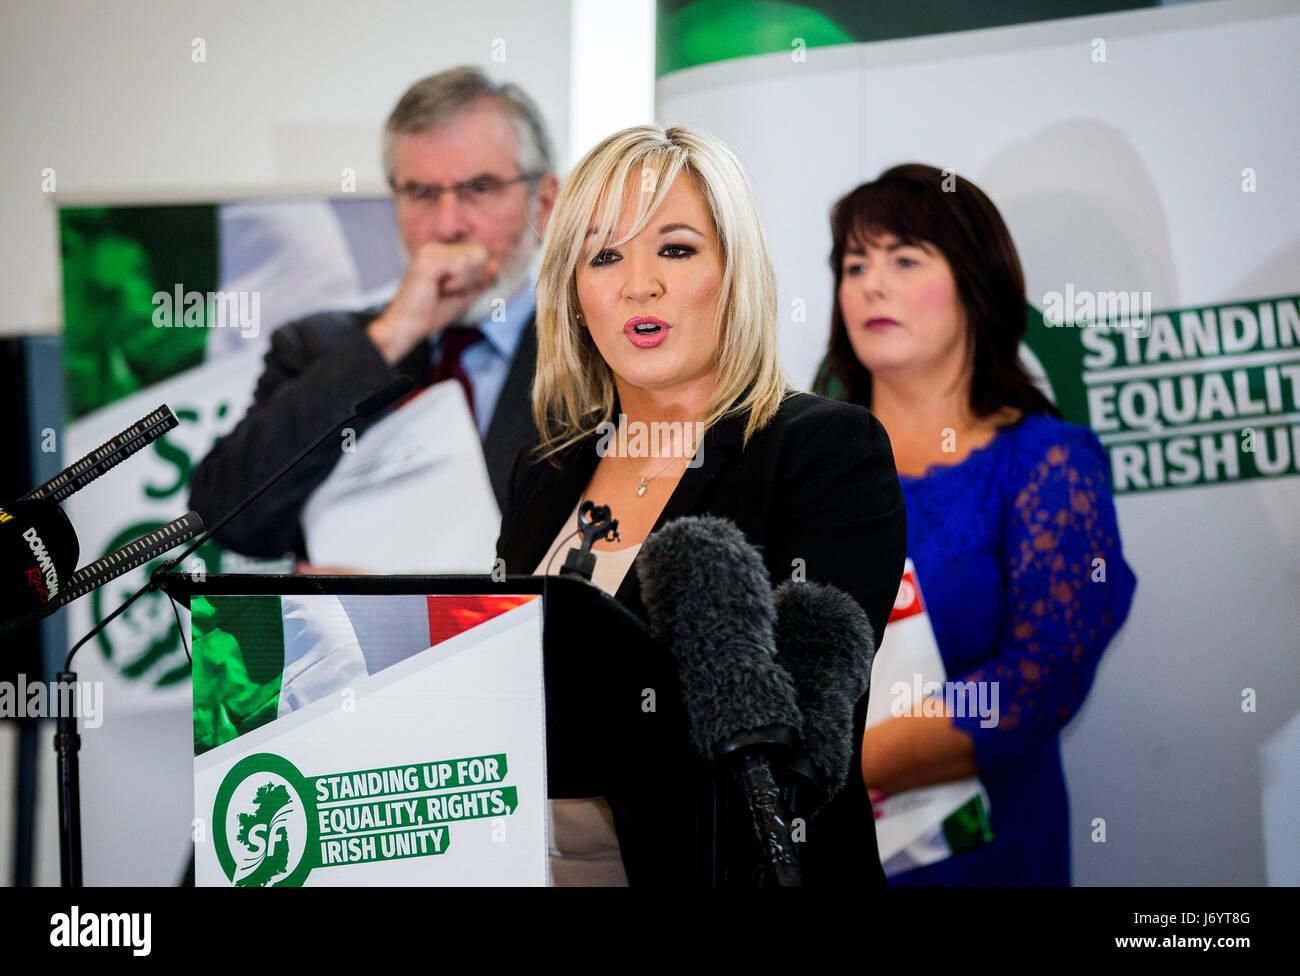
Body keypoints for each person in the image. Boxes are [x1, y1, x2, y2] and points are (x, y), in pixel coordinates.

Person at [495, 124, 908, 886]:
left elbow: (796, 739)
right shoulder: (544, 472)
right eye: (605, 254)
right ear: (575, 293)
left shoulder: (822, 451)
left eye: (676, 249)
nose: (637, 284)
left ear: (734, 272)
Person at [813, 163, 1138, 885]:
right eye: (854, 264)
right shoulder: (801, 469)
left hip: (985, 863)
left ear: (974, 282)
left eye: (903, 259)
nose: (871, 284)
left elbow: (1037, 682)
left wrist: (823, 763)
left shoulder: (1046, 463)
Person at [190, 67, 559, 558]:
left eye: (479, 188)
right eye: (421, 194)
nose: (447, 225)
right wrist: (391, 336)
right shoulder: (317, 348)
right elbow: (230, 519)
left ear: (546, 203)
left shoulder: (592, 355)